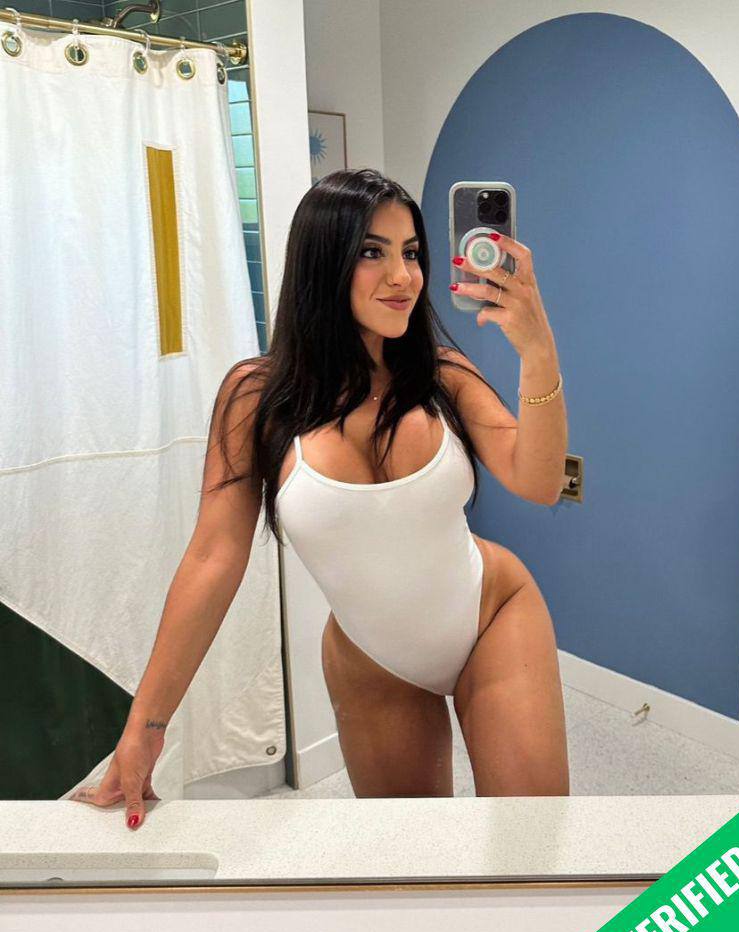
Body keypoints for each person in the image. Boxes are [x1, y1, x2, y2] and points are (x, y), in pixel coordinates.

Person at [72, 168, 570, 828]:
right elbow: (212, 561)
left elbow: (539, 482)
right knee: (413, 860)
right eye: (372, 252)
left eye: (411, 252)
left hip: (492, 617)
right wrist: (145, 729)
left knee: (534, 845)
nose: (403, 276)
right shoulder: (257, 398)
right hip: (375, 661)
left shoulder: (442, 374)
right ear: (322, 261)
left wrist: (537, 349)